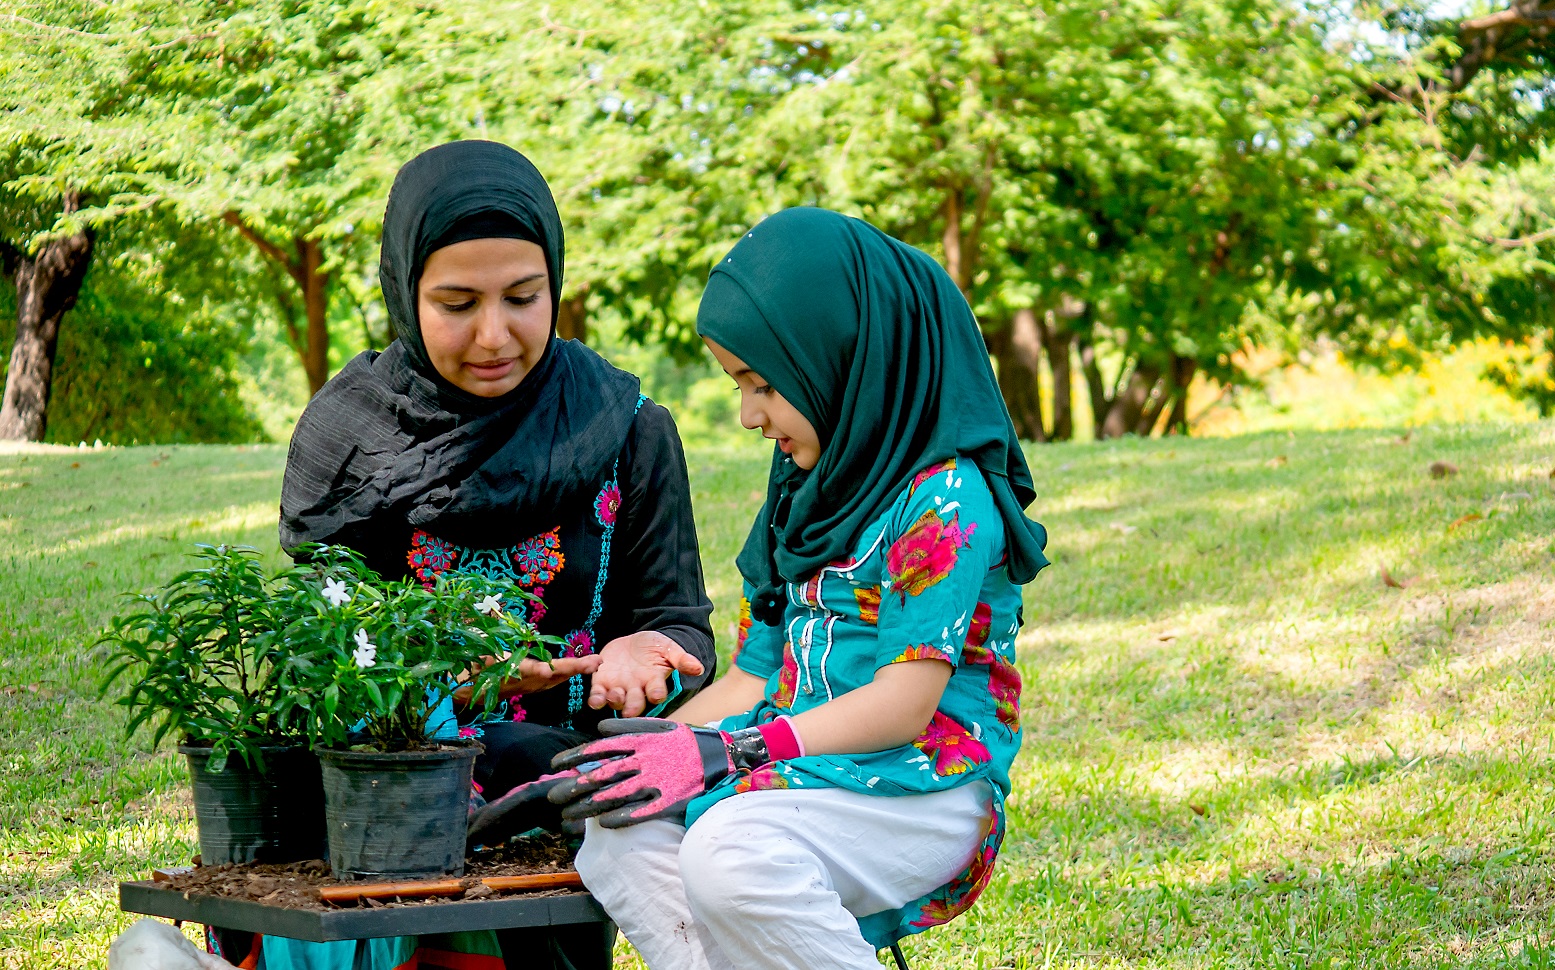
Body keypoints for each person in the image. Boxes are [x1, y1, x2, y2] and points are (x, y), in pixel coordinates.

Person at [210, 140, 715, 970]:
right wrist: (441, 682)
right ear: (405, 293)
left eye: (523, 297)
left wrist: (642, 649)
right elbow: (323, 650)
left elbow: (683, 627)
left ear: (555, 283)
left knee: (539, 766)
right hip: (386, 770)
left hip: (568, 778)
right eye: (456, 303)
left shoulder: (627, 429)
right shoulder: (349, 439)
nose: (493, 334)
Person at [548, 207, 1050, 969]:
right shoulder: (803, 490)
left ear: (840, 358)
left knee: (732, 854)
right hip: (798, 767)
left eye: (762, 385)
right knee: (620, 828)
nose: (749, 415)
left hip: (924, 781)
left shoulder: (944, 498)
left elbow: (905, 705)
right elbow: (754, 678)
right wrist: (639, 755)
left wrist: (733, 749)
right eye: (738, 386)